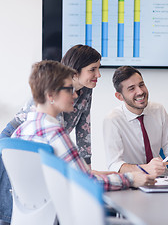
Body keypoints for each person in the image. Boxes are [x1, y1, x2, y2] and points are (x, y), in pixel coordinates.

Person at [12, 60, 155, 190]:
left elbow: (76, 174)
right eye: (69, 89)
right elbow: (85, 182)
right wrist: (131, 178)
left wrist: (98, 174)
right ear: (51, 95)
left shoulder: (20, 131)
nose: (75, 96)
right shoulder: (54, 133)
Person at [0, 45, 100, 224]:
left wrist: (88, 166)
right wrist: (86, 174)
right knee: (18, 203)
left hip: (46, 139)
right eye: (93, 69)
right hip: (17, 139)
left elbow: (84, 128)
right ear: (76, 70)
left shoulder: (85, 91)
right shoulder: (56, 89)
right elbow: (53, 130)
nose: (98, 75)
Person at [103, 66, 168, 176]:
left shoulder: (158, 110)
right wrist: (146, 168)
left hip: (162, 179)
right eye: (132, 89)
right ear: (119, 96)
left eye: (141, 85)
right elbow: (115, 164)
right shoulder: (113, 120)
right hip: (133, 181)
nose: (140, 91)